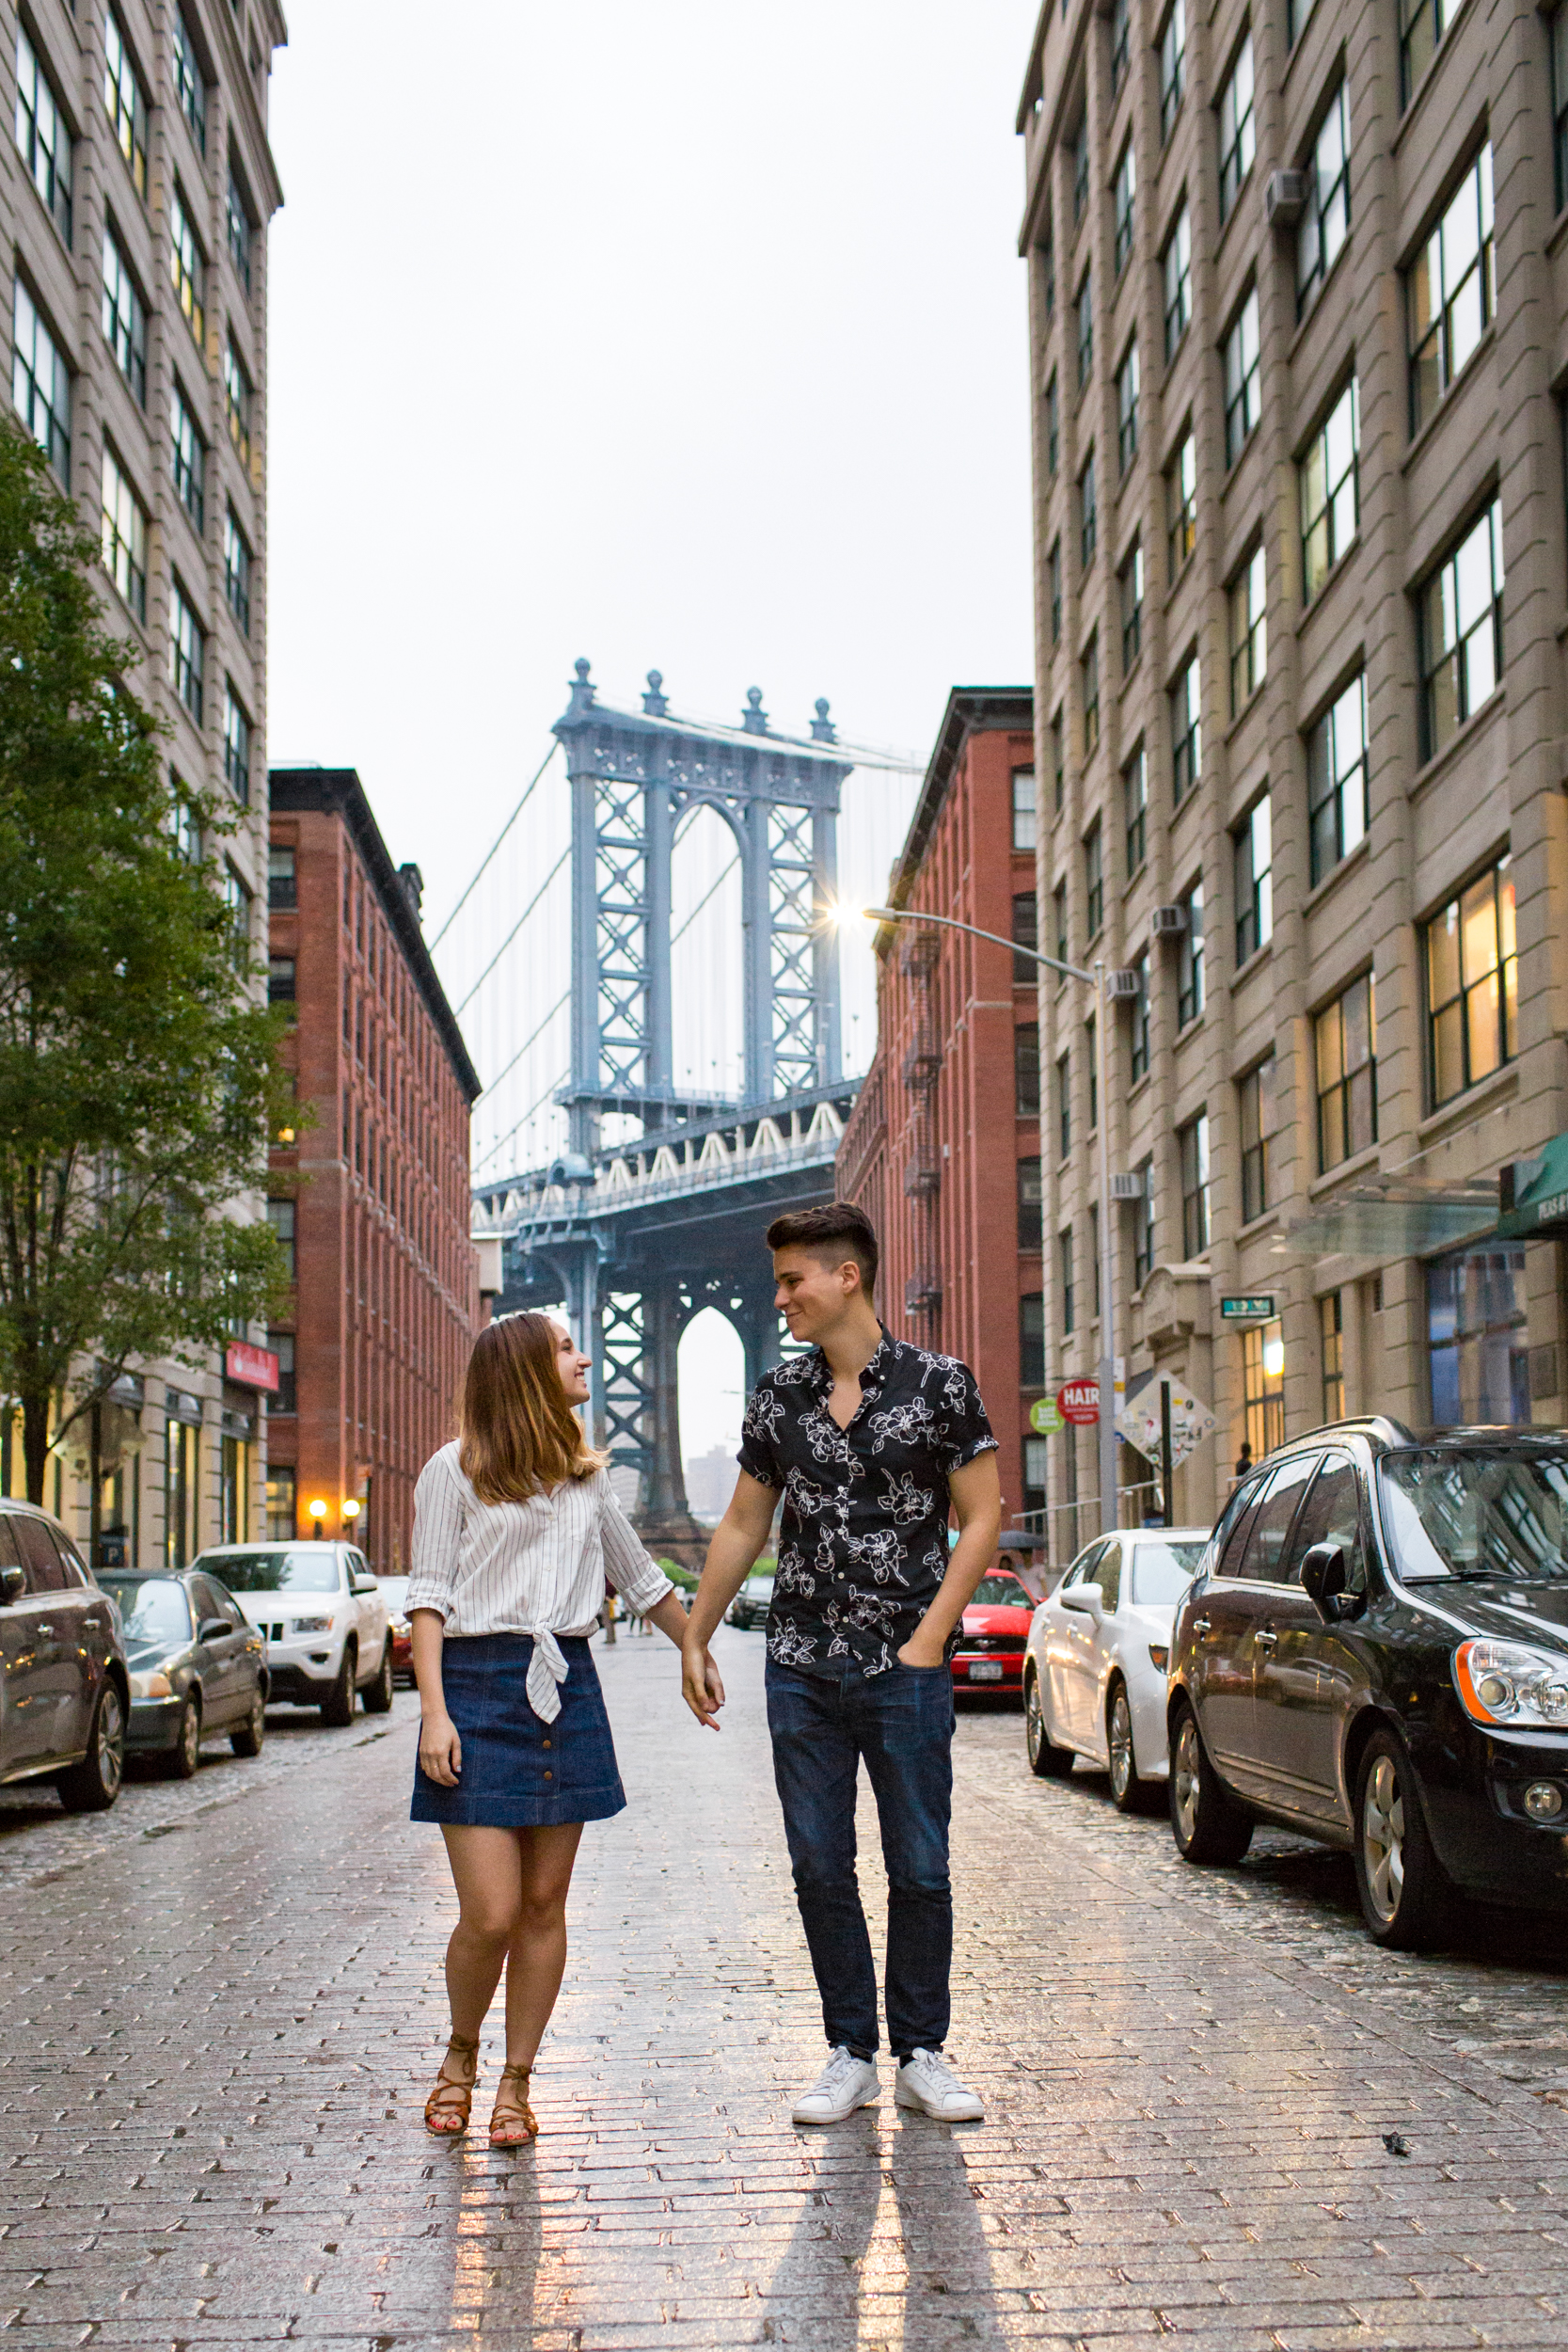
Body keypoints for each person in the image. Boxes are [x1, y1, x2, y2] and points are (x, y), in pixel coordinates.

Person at [681, 1202, 1002, 2126]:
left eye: (792, 1281)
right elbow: (746, 1521)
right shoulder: (778, 1396)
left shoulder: (941, 1386)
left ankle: (922, 2051)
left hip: (905, 1663)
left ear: (845, 1276)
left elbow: (979, 1513)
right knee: (819, 1866)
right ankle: (850, 2052)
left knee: (920, 1866)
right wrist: (697, 1634)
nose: (778, 1297)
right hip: (799, 1666)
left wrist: (931, 1635)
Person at [408, 1311, 706, 2147]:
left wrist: (696, 1651)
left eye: (581, 1346)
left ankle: (516, 2082)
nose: (583, 1361)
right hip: (474, 1688)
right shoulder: (453, 1472)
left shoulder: (584, 1480)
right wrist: (434, 1710)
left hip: (566, 1687)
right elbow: (427, 1599)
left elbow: (642, 1580)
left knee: (544, 1904)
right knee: (491, 1912)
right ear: (526, 1375)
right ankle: (459, 2055)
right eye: (566, 1352)